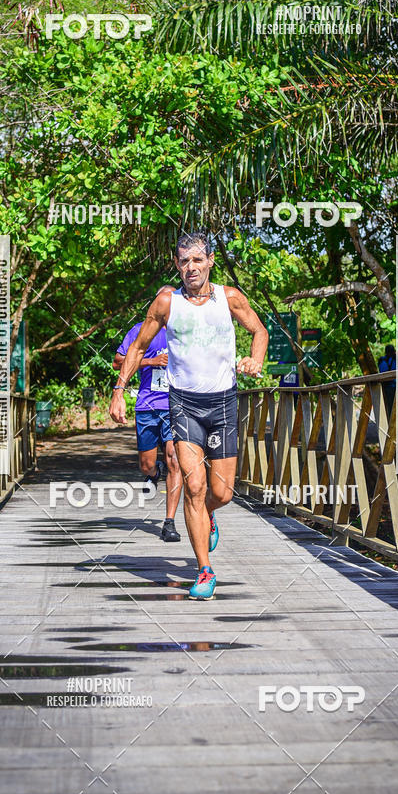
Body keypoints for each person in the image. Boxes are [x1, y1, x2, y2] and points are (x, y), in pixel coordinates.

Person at [110, 230, 269, 600]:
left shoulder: (229, 298)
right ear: (177, 265)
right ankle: (204, 569)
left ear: (210, 261)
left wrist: (255, 360)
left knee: (222, 492)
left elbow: (259, 331)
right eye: (184, 261)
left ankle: (209, 515)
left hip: (224, 401)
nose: (191, 267)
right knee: (193, 487)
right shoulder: (167, 302)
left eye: (198, 260)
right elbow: (137, 347)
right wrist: (119, 390)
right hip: (182, 403)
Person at [113, 288, 183, 543]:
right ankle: (154, 474)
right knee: (146, 464)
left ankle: (169, 522)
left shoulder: (184, 329)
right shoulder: (141, 329)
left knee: (175, 459)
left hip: (176, 405)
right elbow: (118, 361)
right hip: (147, 405)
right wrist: (152, 362)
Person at [378, 344, 397, 417]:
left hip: (386, 387)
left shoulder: (382, 360)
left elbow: (382, 372)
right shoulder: (396, 360)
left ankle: (390, 422)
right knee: (395, 406)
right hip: (394, 386)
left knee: (389, 406)